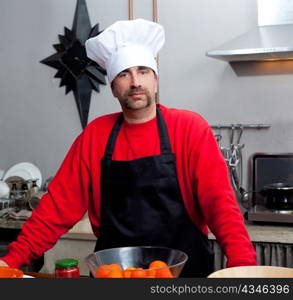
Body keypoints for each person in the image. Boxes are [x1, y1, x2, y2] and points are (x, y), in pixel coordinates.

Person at [0, 18, 256, 277]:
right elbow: (56, 208)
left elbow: (220, 205)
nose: (135, 82)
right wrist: (11, 260)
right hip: (115, 275)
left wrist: (244, 266)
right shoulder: (95, 135)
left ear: (155, 81)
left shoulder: (189, 128)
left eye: (143, 71)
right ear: (113, 87)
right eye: (124, 74)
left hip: (185, 273)